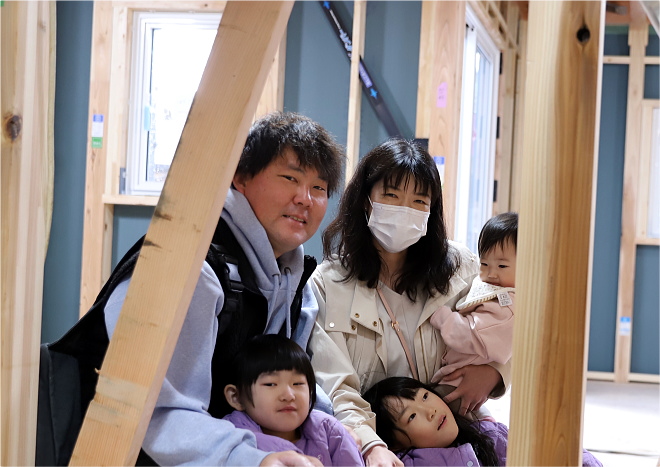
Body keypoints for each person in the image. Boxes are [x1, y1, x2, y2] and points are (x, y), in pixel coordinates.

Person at [103, 112, 344, 466]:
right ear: (240, 178)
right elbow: (154, 412)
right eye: (290, 178)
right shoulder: (189, 270)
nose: (305, 199)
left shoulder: (298, 288)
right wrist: (250, 459)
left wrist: (344, 434)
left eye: (319, 188)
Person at [307, 138, 511, 466]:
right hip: (382, 447)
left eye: (419, 201)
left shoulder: (462, 267)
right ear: (365, 200)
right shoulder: (328, 284)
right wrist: (372, 446)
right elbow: (336, 386)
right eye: (391, 196)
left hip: (462, 436)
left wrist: (495, 372)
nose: (405, 210)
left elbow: (513, 320)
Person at [362, 377, 603, 467]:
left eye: (425, 396)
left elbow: (555, 451)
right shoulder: (409, 463)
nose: (430, 411)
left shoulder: (490, 433)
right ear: (395, 445)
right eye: (412, 416)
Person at [223, 334, 365, 466]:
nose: (289, 395)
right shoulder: (231, 440)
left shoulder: (330, 431)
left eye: (298, 383)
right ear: (236, 397)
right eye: (271, 384)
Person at [430, 212, 517, 401]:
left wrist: (444, 318)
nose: (491, 273)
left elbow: (470, 334)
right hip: (455, 374)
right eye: (484, 263)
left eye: (502, 266)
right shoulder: (494, 290)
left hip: (458, 382)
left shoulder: (507, 307)